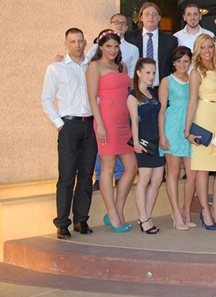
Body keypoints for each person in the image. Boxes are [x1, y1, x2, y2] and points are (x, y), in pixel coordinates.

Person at [42, 28, 97, 239]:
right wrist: (59, 124)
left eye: (80, 41)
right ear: (66, 44)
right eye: (72, 41)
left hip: (90, 125)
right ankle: (62, 223)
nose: (77, 45)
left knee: (86, 175)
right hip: (69, 126)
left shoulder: (91, 66)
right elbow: (46, 99)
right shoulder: (56, 68)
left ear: (85, 42)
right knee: (66, 176)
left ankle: (81, 220)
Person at [86, 29, 137, 233]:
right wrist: (100, 124)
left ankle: (117, 209)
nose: (112, 50)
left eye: (116, 46)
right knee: (108, 167)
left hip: (124, 122)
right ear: (100, 47)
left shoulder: (122, 65)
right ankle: (113, 215)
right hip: (106, 122)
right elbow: (92, 98)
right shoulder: (95, 66)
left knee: (131, 167)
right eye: (108, 46)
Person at [184, 34, 216, 230]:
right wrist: (187, 131)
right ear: (197, 50)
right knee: (202, 168)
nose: (207, 50)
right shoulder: (196, 72)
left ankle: (215, 209)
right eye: (203, 47)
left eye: (210, 46)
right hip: (203, 119)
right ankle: (205, 210)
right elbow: (192, 102)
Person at [158, 46, 196, 230]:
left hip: (190, 130)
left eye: (186, 61)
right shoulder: (166, 81)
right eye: (179, 61)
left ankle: (186, 211)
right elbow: (161, 110)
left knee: (192, 173)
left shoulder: (194, 79)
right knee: (173, 173)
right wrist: (161, 134)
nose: (182, 64)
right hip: (172, 128)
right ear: (173, 62)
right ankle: (175, 213)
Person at [127, 58, 164, 234]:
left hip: (156, 140)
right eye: (148, 72)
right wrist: (136, 142)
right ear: (138, 73)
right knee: (144, 179)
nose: (151, 76)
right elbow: (134, 120)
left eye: (153, 73)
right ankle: (143, 218)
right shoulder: (133, 95)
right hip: (143, 141)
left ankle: (146, 216)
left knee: (157, 179)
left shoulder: (152, 93)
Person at [124, 2, 178, 90]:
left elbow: (174, 66)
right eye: (147, 14)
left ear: (159, 18)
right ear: (141, 18)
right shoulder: (129, 38)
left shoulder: (171, 40)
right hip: (137, 89)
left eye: (154, 14)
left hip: (161, 90)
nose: (151, 17)